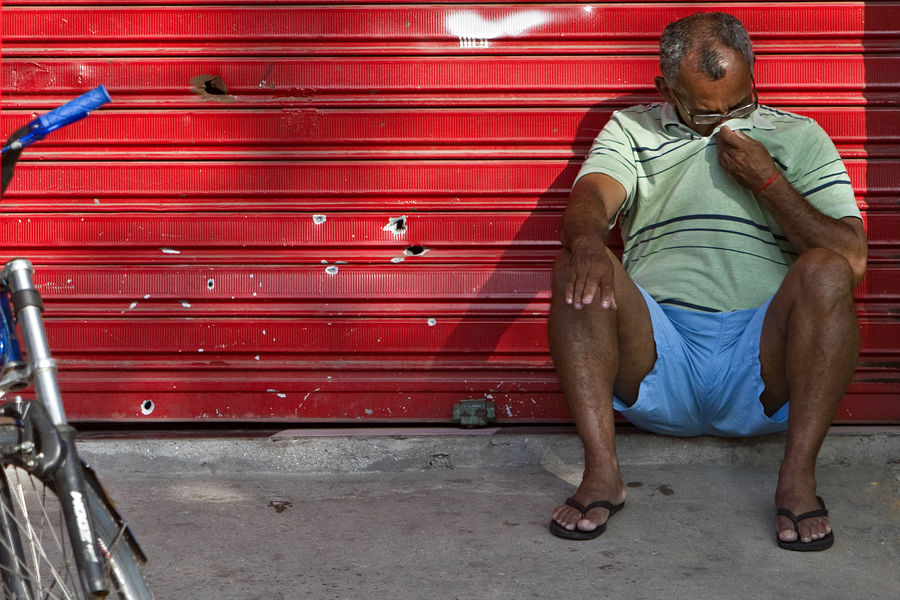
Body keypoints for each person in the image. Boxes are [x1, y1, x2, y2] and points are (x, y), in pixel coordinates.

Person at [547, 12, 866, 551]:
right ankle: (603, 473)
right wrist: (585, 243)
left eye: (739, 106)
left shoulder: (800, 134)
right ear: (665, 89)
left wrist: (768, 181)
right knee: (576, 266)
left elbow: (853, 259)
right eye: (704, 113)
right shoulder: (632, 128)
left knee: (827, 269)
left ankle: (797, 479)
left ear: (754, 72)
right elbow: (591, 199)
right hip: (657, 355)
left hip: (761, 364)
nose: (724, 124)